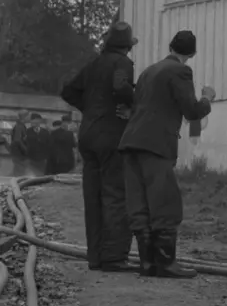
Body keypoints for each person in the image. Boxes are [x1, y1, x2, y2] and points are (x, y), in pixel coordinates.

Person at [118, 29, 214, 279]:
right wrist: (207, 98)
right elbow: (192, 111)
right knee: (164, 204)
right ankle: (165, 264)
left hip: (130, 142)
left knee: (139, 204)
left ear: (171, 46)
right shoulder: (180, 71)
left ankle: (147, 263)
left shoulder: (149, 71)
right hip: (156, 145)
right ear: (192, 53)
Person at [60, 22, 138, 272]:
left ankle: (95, 257)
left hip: (88, 134)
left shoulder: (94, 63)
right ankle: (114, 257)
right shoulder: (122, 62)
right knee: (115, 194)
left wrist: (91, 109)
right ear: (127, 45)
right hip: (111, 135)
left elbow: (68, 91)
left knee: (92, 196)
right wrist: (135, 103)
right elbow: (120, 86)